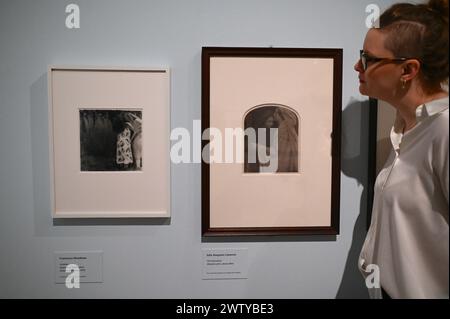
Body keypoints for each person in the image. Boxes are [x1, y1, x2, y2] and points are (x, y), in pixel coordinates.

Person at [355, 0, 449, 298]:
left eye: (367, 58)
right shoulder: (403, 130)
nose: (358, 66)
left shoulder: (444, 130)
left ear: (408, 69)